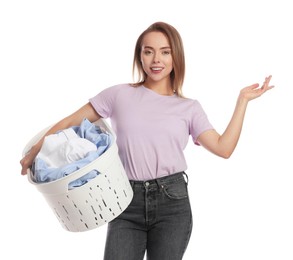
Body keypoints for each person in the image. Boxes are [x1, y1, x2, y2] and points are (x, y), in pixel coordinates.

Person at [20, 21, 274, 260]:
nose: (156, 60)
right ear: (139, 56)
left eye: (165, 52)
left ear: (176, 57)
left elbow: (223, 148)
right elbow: (70, 121)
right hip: (125, 198)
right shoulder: (119, 95)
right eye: (148, 51)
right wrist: (34, 152)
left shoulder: (189, 108)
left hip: (172, 202)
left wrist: (242, 101)